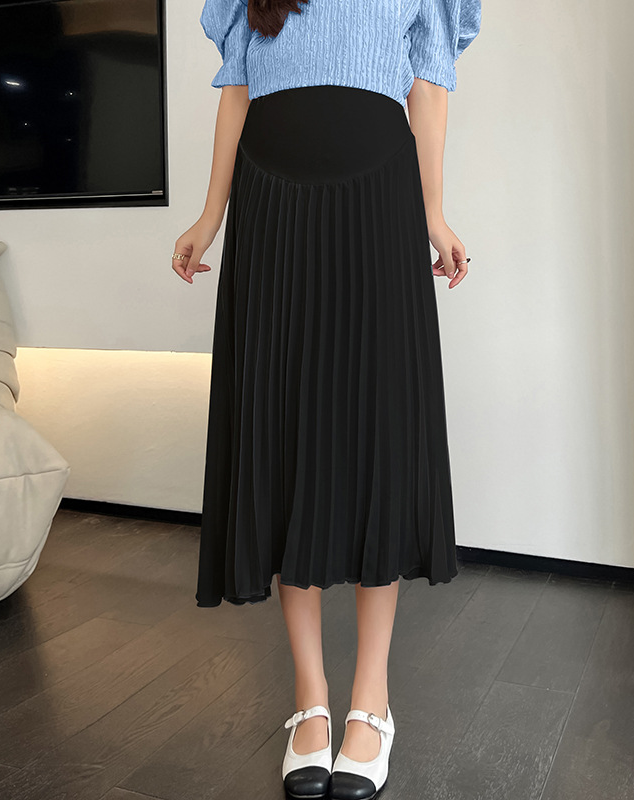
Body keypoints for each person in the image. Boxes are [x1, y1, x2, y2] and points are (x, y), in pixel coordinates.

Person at [172, 1, 481, 798]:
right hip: (271, 207)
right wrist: (211, 214)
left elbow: (428, 86)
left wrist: (432, 213)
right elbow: (238, 90)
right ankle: (310, 698)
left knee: (379, 430)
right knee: (282, 432)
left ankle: (370, 702)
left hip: (378, 204)